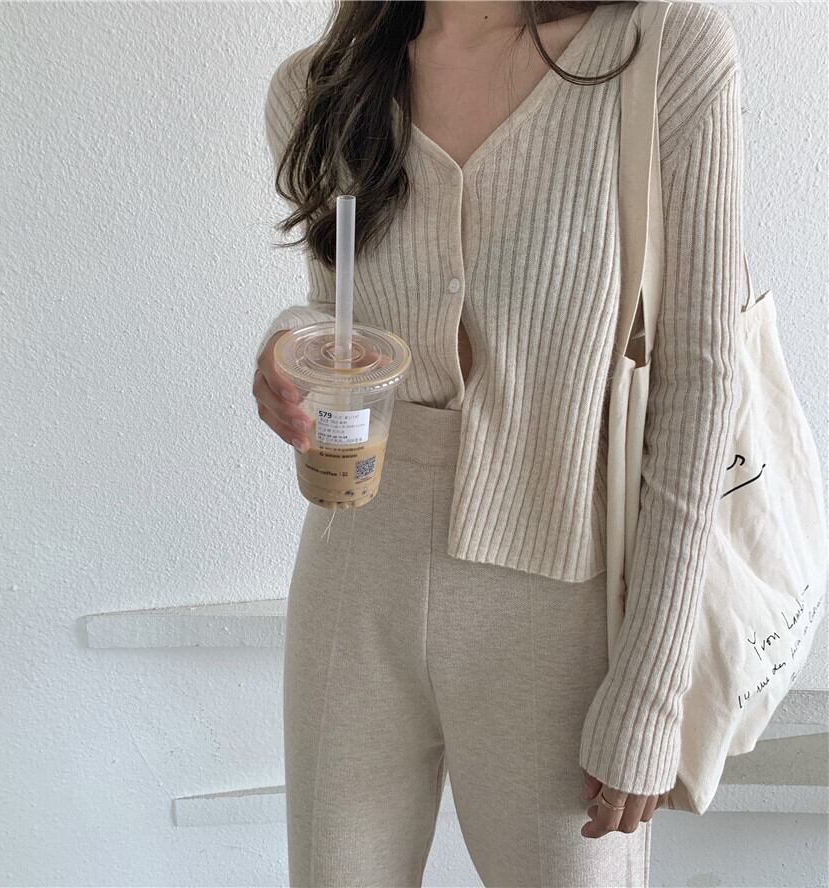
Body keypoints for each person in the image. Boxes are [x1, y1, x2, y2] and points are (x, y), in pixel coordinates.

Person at [252, 1, 742, 884]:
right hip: (353, 580)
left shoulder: (662, 49)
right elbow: (339, 310)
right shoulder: (319, 87)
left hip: (561, 614)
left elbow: (699, 381)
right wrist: (291, 345)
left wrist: (650, 689)